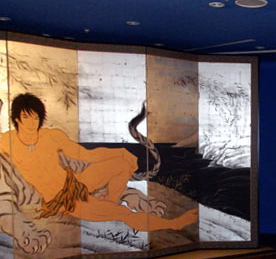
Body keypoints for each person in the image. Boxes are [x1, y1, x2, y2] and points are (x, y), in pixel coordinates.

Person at [0, 93, 197, 230]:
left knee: (123, 162)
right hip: (63, 200)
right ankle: (173, 224)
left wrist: (120, 152)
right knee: (122, 213)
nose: (31, 123)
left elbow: (86, 154)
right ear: (17, 119)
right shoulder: (7, 142)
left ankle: (110, 199)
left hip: (75, 183)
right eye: (25, 117)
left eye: (35, 118)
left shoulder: (52, 136)